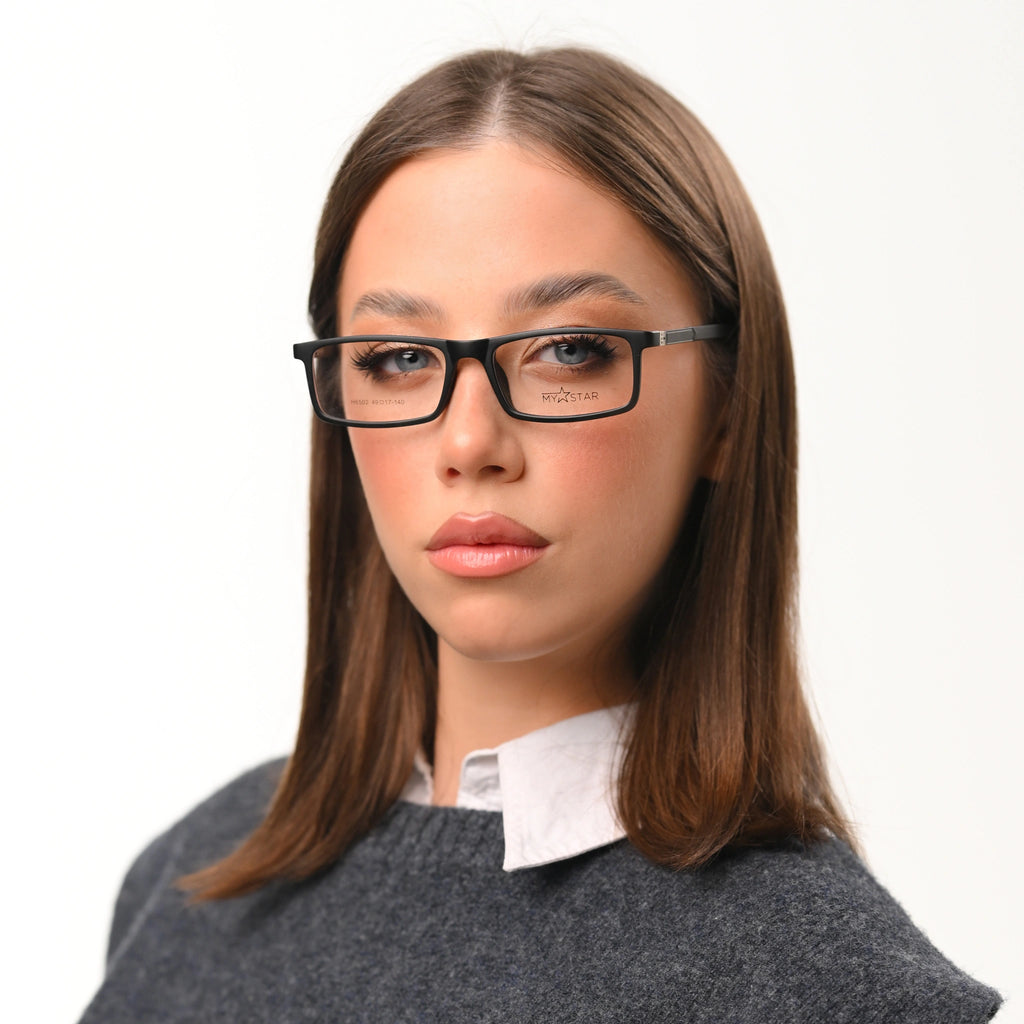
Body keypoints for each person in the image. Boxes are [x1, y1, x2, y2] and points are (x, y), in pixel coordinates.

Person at [78, 47, 1001, 1022]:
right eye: (396, 357)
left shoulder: (826, 985)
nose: (470, 441)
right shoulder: (187, 885)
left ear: (726, 409)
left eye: (570, 349)